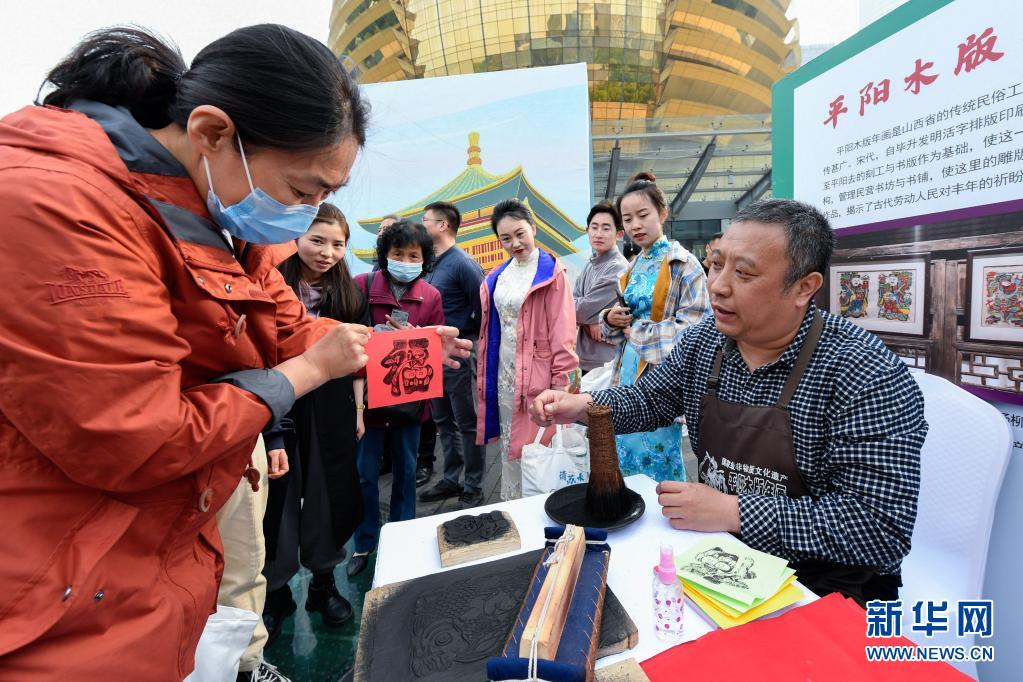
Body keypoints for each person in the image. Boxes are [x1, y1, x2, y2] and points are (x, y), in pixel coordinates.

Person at [0, 25, 470, 679]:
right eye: (304, 191)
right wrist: (307, 373)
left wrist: (388, 345)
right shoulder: (55, 204)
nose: (309, 217)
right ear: (214, 133)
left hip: (155, 541)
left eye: (326, 199)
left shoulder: (215, 214)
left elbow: (285, 327)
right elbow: (139, 437)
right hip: (54, 568)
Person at [530, 199, 927, 604]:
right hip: (722, 560)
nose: (718, 285)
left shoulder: (866, 373)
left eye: (743, 273)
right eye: (717, 264)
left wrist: (734, 511)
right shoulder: (705, 342)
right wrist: (583, 406)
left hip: (825, 587)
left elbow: (879, 529)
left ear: (804, 288)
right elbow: (650, 399)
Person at [261, 203, 366, 644]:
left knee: (331, 490)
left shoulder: (351, 295)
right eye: (316, 240)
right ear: (294, 238)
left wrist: (359, 410)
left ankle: (323, 584)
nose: (327, 252)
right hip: (281, 403)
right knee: (279, 496)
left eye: (337, 244)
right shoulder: (269, 286)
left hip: (333, 406)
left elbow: (360, 360)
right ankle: (277, 590)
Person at [348, 220, 445, 576]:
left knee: (406, 472)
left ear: (425, 258)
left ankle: (404, 538)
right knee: (364, 475)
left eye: (413, 255)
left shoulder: (431, 297)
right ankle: (364, 542)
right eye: (398, 253)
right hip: (369, 402)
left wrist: (417, 337)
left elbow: (436, 347)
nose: (405, 260)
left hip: (409, 404)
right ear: (384, 255)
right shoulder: (363, 286)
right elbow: (351, 340)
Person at [600, 172, 710, 482]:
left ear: (663, 213)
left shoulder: (684, 265)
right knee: (625, 456)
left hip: (662, 378)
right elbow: (621, 318)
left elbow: (694, 332)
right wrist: (611, 318)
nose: (635, 225)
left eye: (643, 215)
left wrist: (635, 330)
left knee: (658, 456)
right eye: (628, 219)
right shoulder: (632, 266)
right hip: (626, 373)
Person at [476, 199, 579, 500]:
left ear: (533, 228)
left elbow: (564, 336)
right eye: (505, 238)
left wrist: (563, 389)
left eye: (520, 233)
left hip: (539, 382)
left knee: (538, 455)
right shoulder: (498, 275)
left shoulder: (552, 274)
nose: (514, 243)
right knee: (511, 453)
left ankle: (541, 516)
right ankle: (514, 514)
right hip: (504, 380)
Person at [419, 201, 487, 508]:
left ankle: (473, 483)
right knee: (443, 420)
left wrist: (468, 340)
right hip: (431, 355)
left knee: (467, 421)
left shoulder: (462, 263)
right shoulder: (429, 263)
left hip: (459, 354)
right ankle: (451, 478)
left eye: (426, 221)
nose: (422, 226)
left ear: (443, 225)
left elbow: (484, 309)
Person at [573, 200, 629, 373]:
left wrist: (590, 317)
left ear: (619, 234)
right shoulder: (590, 264)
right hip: (586, 358)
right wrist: (591, 320)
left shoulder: (618, 267)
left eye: (606, 228)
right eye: (594, 227)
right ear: (587, 230)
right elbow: (573, 304)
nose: (599, 233)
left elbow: (579, 311)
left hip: (607, 362)